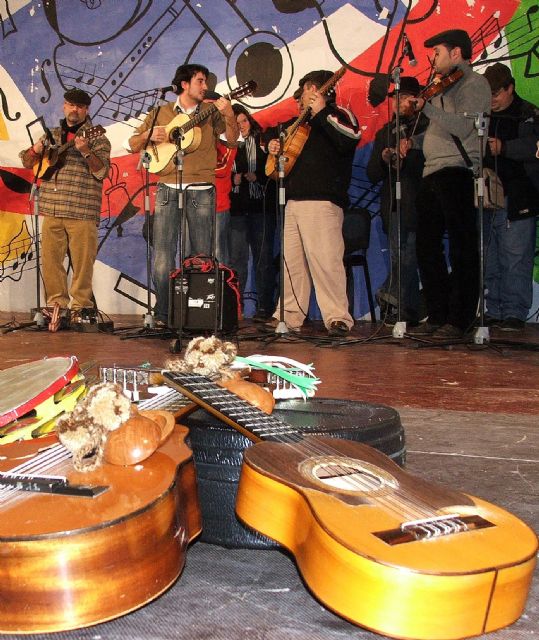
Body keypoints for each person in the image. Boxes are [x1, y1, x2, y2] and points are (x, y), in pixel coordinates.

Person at [127, 64, 238, 325]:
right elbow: (131, 143)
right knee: (163, 254)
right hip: (167, 187)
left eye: (206, 82)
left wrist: (230, 114)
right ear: (184, 84)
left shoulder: (211, 112)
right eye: (200, 81)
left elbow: (233, 140)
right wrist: (148, 135)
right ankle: (165, 314)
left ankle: (195, 316)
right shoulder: (161, 112)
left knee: (200, 256)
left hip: (201, 189)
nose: (205, 86)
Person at [401, 29, 492, 339]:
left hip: (458, 172)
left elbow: (464, 128)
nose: (433, 59)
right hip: (433, 172)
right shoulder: (443, 89)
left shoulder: (473, 84)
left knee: (462, 247)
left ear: (456, 53)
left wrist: (426, 107)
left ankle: (460, 319)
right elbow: (438, 133)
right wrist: (412, 143)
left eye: (437, 52)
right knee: (427, 247)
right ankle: (438, 315)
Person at [266, 70, 360, 337]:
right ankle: (289, 315)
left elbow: (349, 138)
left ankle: (338, 317)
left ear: (319, 90)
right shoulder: (298, 123)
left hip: (322, 201)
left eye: (307, 88)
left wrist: (322, 113)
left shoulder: (340, 114)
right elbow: (276, 144)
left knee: (326, 261)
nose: (303, 95)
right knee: (292, 265)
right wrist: (273, 146)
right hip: (292, 201)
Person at [19, 88, 111, 329]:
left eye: (80, 106)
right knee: (51, 263)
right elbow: (27, 161)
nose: (74, 109)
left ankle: (80, 309)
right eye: (71, 104)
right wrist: (35, 150)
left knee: (83, 265)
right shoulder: (52, 134)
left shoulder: (97, 138)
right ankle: (56, 306)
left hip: (82, 209)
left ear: (86, 110)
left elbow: (102, 171)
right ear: (64, 106)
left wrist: (86, 151)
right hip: (51, 207)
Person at [481, 62, 539, 332]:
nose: (491, 99)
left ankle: (514, 312)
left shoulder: (529, 114)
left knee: (516, 256)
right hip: (487, 197)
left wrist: (504, 148)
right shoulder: (482, 115)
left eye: (495, 93)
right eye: (487, 94)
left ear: (510, 88)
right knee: (490, 256)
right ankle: (494, 309)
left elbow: (535, 147)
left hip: (518, 196)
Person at [367, 76, 427, 327]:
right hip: (392, 205)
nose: (398, 102)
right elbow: (372, 173)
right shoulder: (385, 132)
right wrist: (385, 159)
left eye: (404, 97)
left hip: (420, 201)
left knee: (410, 255)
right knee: (399, 256)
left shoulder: (426, 126)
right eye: (395, 98)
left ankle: (390, 295)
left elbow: (428, 163)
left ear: (416, 99)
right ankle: (410, 310)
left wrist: (408, 154)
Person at [229, 104, 277, 321]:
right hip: (237, 210)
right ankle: (235, 307)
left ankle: (265, 307)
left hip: (261, 208)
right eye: (237, 123)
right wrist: (234, 180)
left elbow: (273, 170)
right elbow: (221, 173)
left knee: (263, 259)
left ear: (250, 120)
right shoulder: (228, 145)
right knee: (237, 260)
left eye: (244, 121)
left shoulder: (263, 141)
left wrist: (258, 176)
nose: (242, 126)